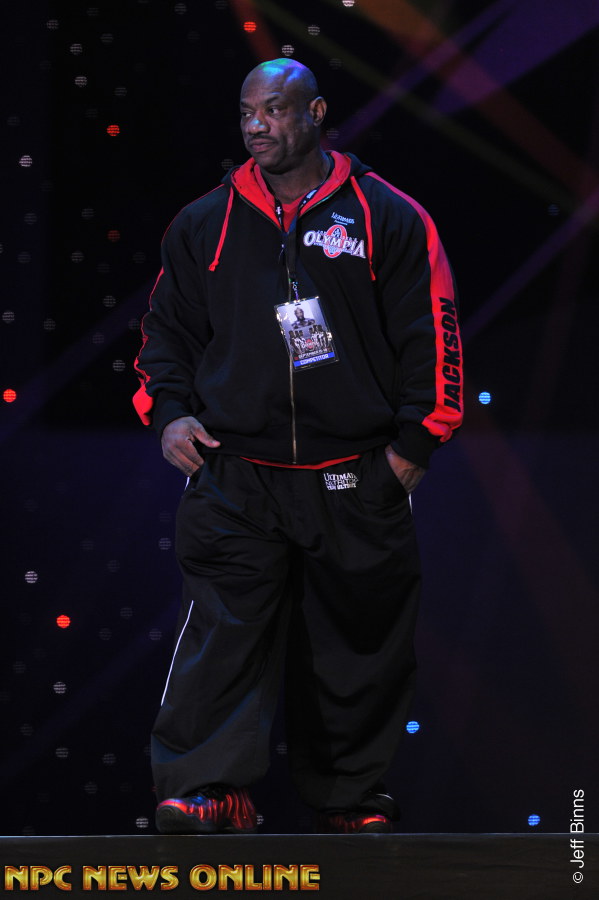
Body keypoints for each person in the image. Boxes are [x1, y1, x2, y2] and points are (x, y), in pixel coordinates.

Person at [133, 58, 463, 835]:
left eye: (275, 110)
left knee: (356, 646)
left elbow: (434, 331)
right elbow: (164, 334)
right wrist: (169, 415)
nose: (257, 126)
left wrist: (415, 444)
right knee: (221, 635)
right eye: (247, 112)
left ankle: (351, 800)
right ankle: (207, 791)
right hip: (235, 472)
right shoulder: (204, 222)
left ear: (315, 112)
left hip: (354, 471)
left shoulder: (387, 215)